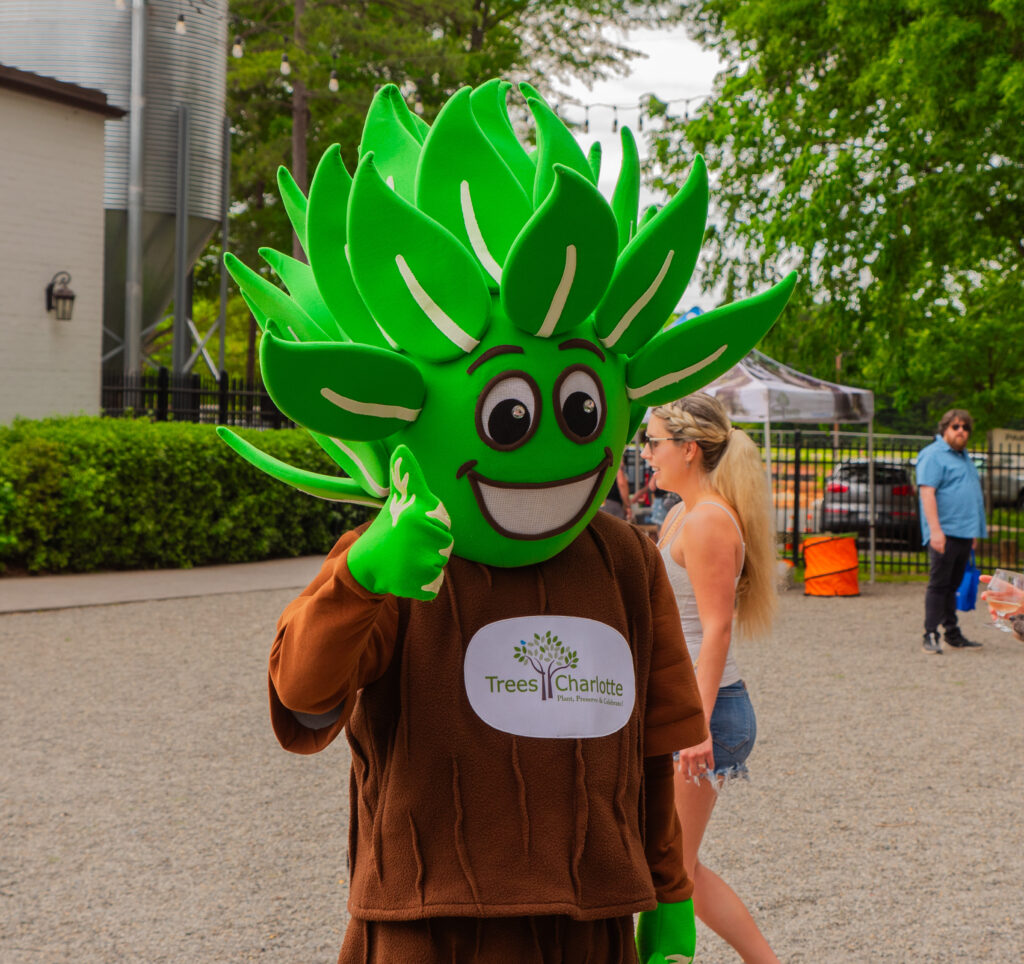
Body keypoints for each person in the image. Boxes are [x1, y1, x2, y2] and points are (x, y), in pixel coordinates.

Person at [641, 392, 781, 964]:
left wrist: (694, 726)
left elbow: (718, 629)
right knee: (670, 862)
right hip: (687, 708)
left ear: (689, 449)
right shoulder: (682, 513)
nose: (644, 452)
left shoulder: (707, 522)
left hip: (708, 711)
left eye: (652, 441)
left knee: (676, 866)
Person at [916, 409, 987, 654]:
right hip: (945, 532)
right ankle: (930, 633)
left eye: (965, 428)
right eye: (955, 426)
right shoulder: (933, 455)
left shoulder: (964, 457)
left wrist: (973, 531)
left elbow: (969, 495)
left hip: (964, 532)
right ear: (944, 428)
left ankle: (952, 633)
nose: (961, 431)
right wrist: (935, 531)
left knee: (952, 585)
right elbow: (927, 493)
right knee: (939, 585)